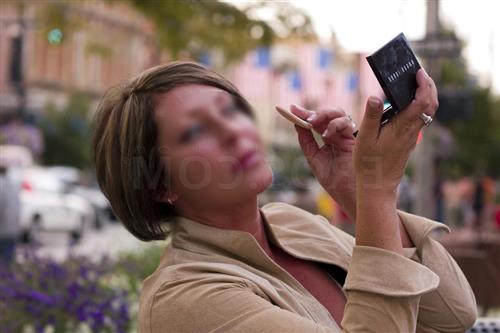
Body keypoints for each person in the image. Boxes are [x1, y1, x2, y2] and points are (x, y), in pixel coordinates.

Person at [92, 61, 477, 332]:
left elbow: (455, 313)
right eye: (196, 132)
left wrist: (356, 191)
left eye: (230, 110)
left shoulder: (292, 223)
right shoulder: (184, 299)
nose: (234, 132)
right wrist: (378, 191)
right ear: (161, 186)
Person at [0, 163, 21, 266]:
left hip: (2, 229)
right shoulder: (13, 184)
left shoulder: (2, 184)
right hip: (11, 229)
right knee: (7, 264)